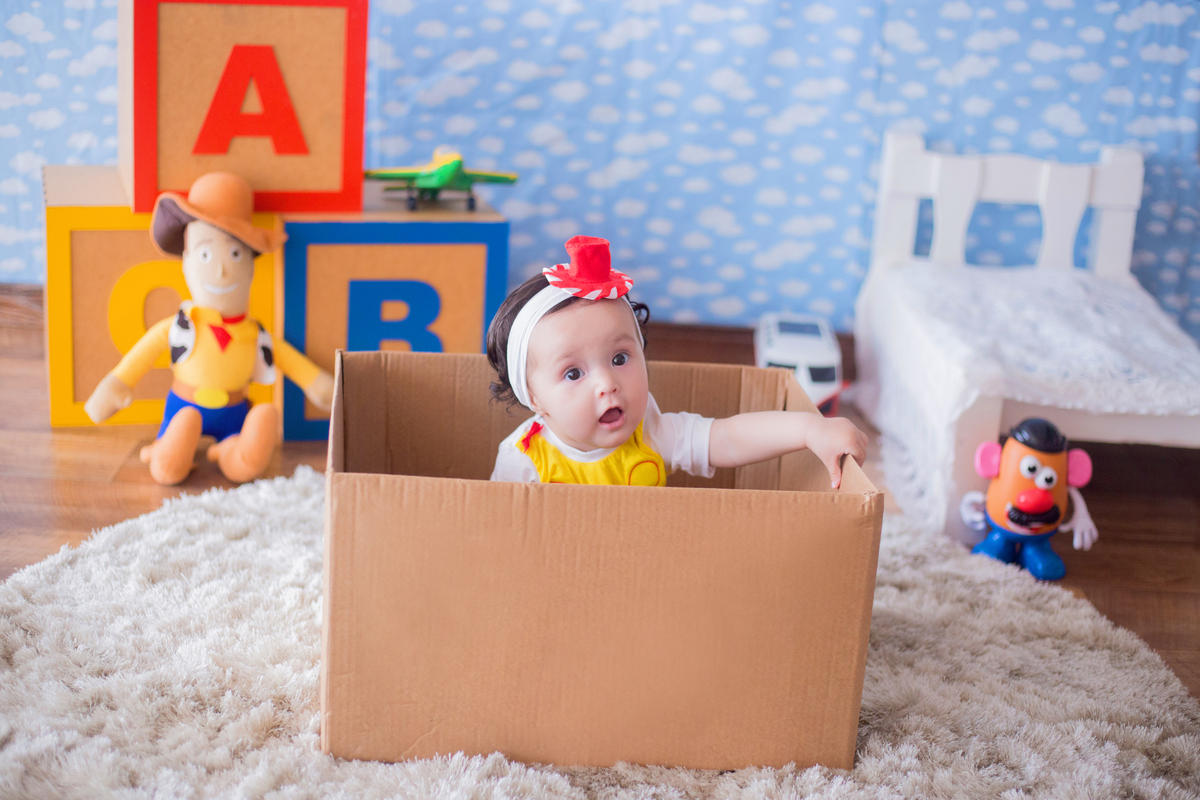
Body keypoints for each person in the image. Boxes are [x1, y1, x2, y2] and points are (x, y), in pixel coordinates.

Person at [487, 235, 867, 487]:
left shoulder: (650, 431)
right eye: (573, 373)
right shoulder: (524, 461)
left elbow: (727, 438)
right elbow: (500, 536)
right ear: (535, 399)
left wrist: (808, 429)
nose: (607, 383)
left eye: (620, 357)